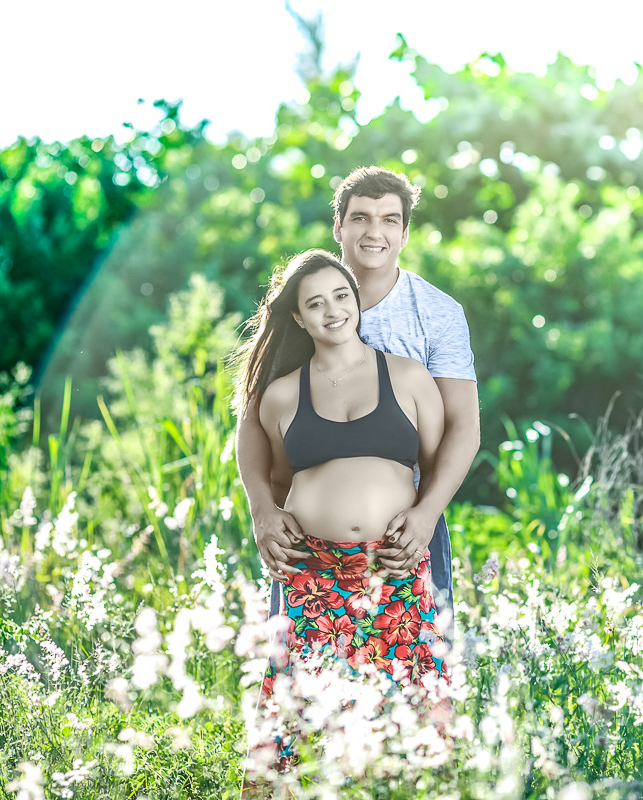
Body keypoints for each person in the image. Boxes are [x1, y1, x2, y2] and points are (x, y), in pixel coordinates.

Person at [234, 250, 449, 787]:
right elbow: (278, 475)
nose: (332, 310)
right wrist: (265, 511)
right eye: (315, 302)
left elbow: (437, 463)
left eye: (341, 296)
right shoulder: (281, 396)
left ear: (357, 302)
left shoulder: (409, 376)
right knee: (299, 708)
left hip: (394, 568)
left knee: (410, 707)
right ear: (299, 318)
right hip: (314, 572)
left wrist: (424, 515)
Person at [236, 166, 480, 634]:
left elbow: (463, 428)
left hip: (405, 534)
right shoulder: (309, 301)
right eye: (362, 218)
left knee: (417, 693)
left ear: (405, 233)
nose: (375, 232)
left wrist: (426, 515)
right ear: (339, 227)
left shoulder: (438, 314)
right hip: (311, 547)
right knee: (301, 694)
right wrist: (263, 509)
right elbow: (253, 421)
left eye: (390, 220)